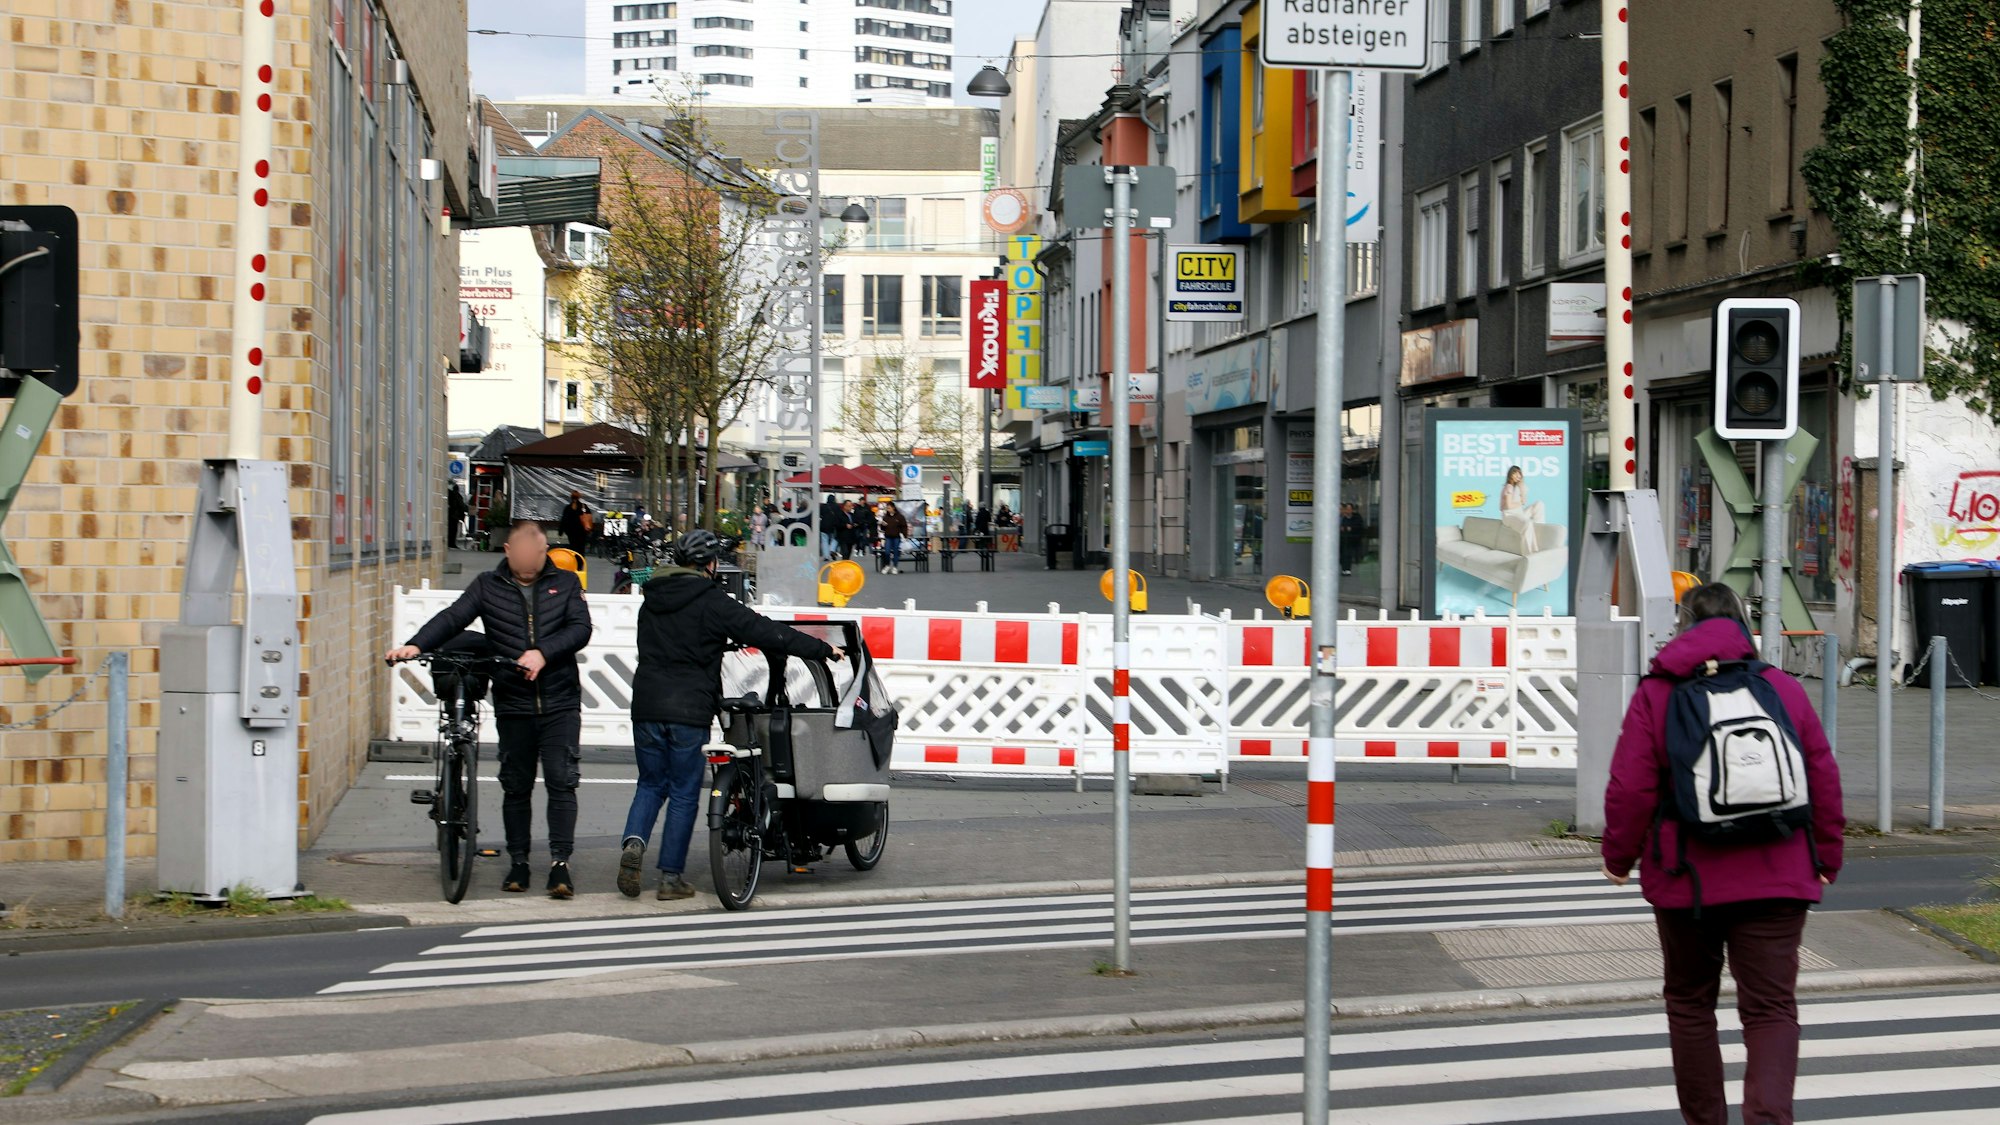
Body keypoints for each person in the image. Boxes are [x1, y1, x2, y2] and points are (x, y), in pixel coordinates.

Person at [1602, 583, 1844, 1125]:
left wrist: (1618, 858)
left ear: (1684, 629)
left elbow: (1631, 786)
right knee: (1771, 1010)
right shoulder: (1781, 687)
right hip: (1778, 874)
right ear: (1743, 628)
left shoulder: (1657, 694)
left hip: (1688, 881)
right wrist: (1827, 856)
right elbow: (1822, 773)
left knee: (1690, 1005)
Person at [619, 530, 847, 900]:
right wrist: (821, 649)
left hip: (645, 707)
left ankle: (634, 844)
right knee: (682, 792)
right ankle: (670, 879)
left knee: (650, 783)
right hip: (687, 711)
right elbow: (767, 632)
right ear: (709, 565)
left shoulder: (652, 601)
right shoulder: (712, 601)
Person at [387, 520, 595, 898]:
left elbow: (581, 629)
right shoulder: (488, 585)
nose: (534, 559)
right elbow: (453, 617)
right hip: (514, 701)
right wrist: (415, 645)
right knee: (515, 786)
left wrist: (544, 653)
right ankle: (518, 862)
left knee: (561, 782)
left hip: (560, 701)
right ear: (510, 552)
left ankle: (559, 865)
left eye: (540, 552)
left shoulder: (565, 584)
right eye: (527, 553)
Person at [1498, 466, 1544, 552]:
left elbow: (1524, 500)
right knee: (1527, 524)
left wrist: (1522, 487)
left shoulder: (1517, 488)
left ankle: (1539, 529)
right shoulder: (1509, 487)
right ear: (1510, 474)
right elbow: (1508, 506)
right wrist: (1521, 503)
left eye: (1519, 473)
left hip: (1519, 514)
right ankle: (1529, 554)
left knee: (1539, 504)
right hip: (1509, 516)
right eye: (1515, 473)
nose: (1518, 475)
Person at [880, 502, 909, 574]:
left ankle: (895, 567)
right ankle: (887, 565)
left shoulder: (900, 517)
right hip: (888, 537)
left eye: (889, 508)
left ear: (893, 508)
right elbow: (882, 528)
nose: (888, 509)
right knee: (887, 552)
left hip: (896, 537)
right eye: (887, 508)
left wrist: (905, 536)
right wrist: (882, 525)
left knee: (896, 552)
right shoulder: (885, 517)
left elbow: (904, 526)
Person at [1339, 502, 1363, 577]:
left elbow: (1360, 526)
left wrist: (1352, 528)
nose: (1348, 511)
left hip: (1352, 538)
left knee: (1349, 554)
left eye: (1350, 509)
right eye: (1347, 509)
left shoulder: (1357, 517)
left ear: (1352, 510)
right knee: (1343, 554)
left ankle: (1348, 569)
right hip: (1343, 538)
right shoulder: (1343, 517)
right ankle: (1344, 569)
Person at [819, 495, 847, 560]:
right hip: (833, 525)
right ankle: (832, 549)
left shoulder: (823, 506)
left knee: (824, 541)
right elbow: (840, 515)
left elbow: (820, 515)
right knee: (835, 538)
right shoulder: (837, 507)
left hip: (824, 525)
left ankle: (826, 556)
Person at [446, 484, 468, 549]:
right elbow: (461, 505)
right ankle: (452, 543)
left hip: (450, 514)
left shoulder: (450, 495)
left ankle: (450, 543)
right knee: (454, 530)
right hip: (455, 515)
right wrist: (466, 509)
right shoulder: (458, 496)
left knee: (450, 529)